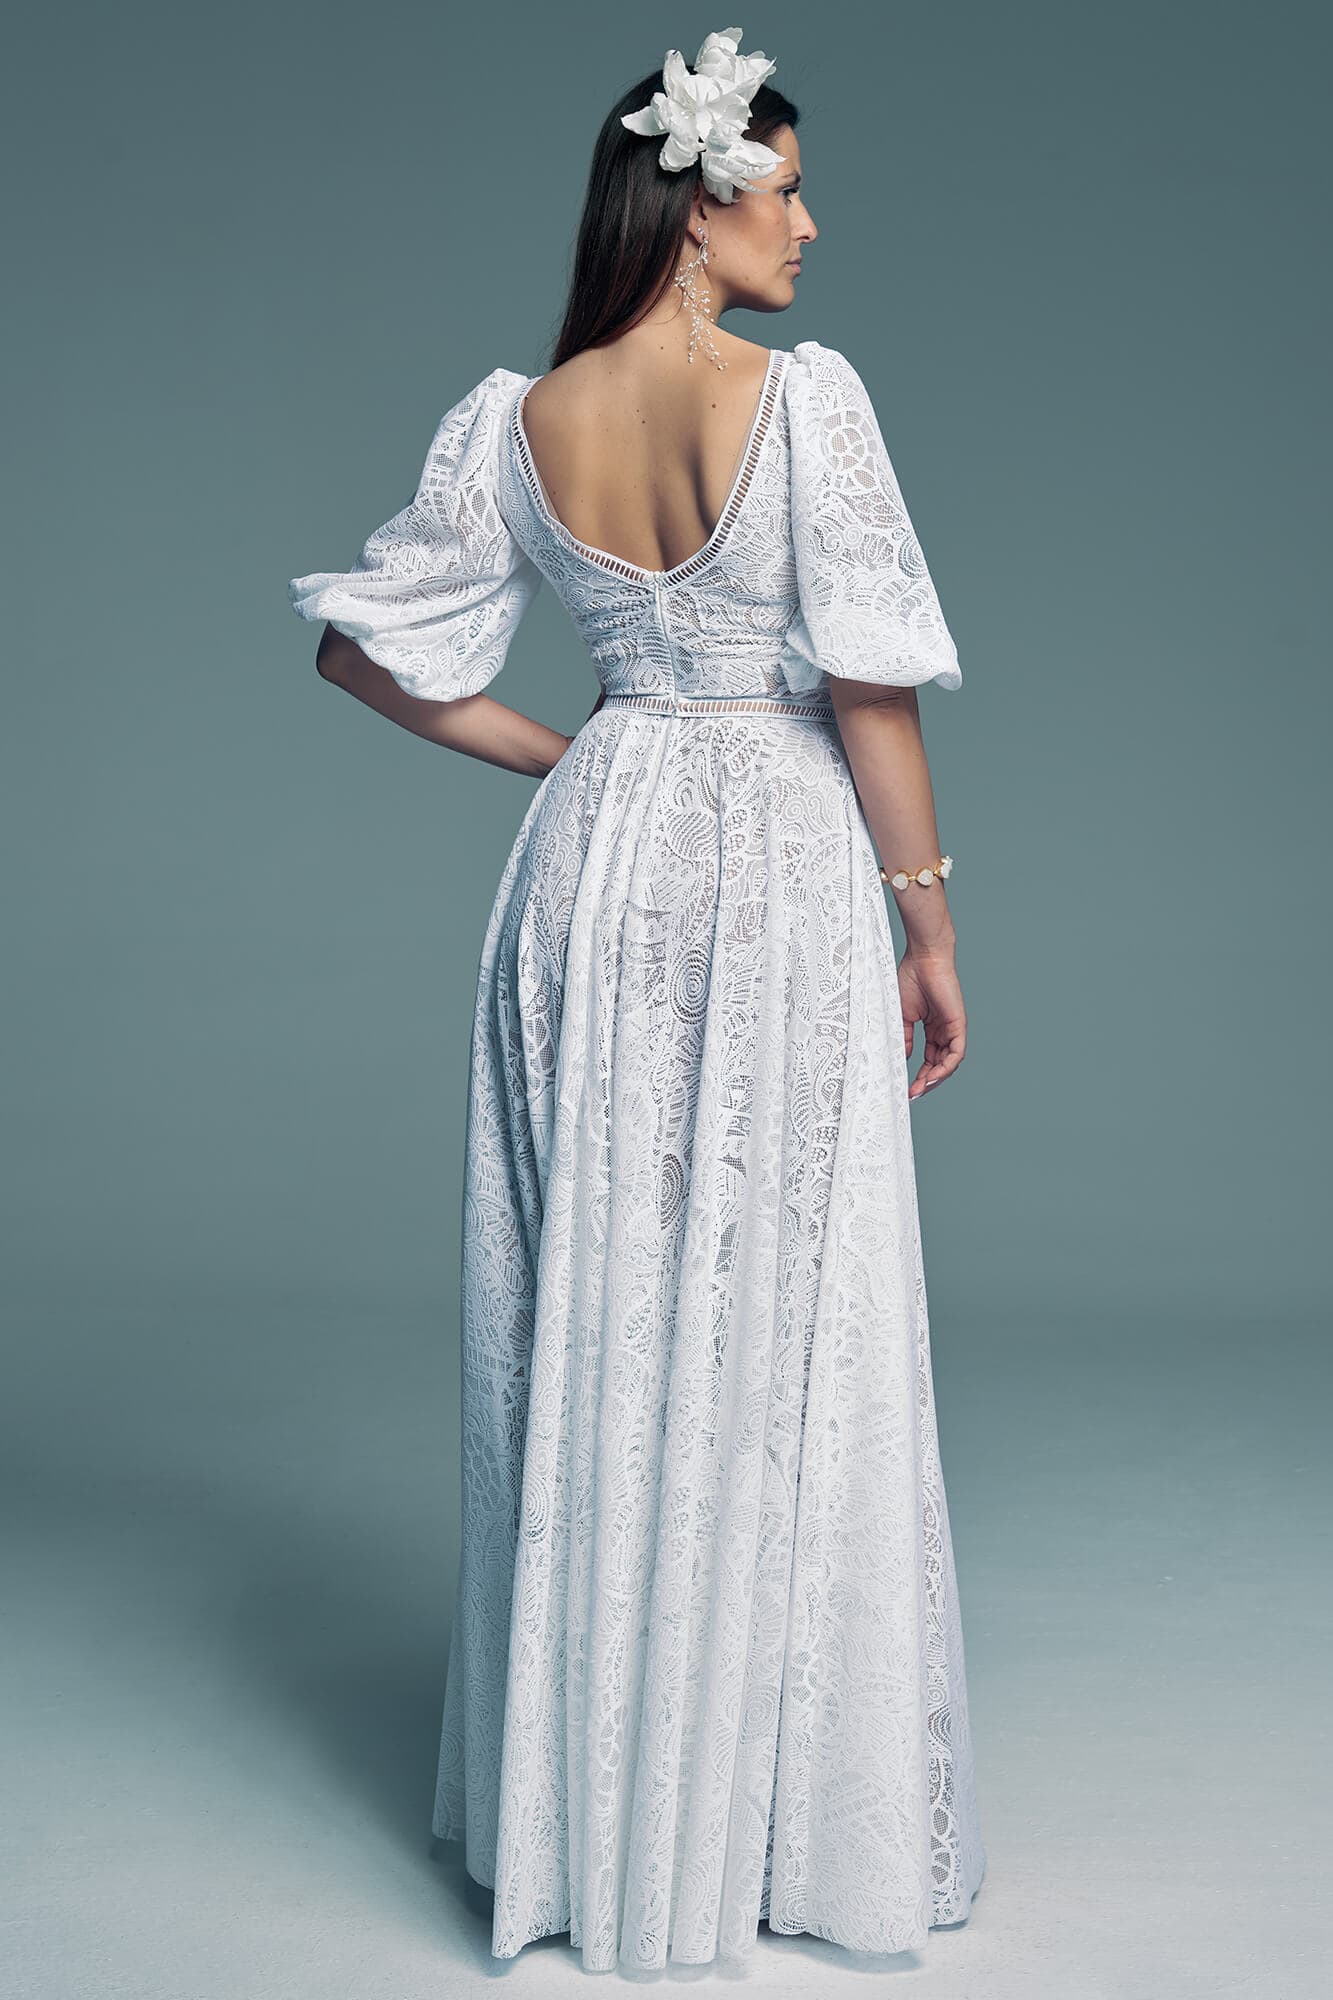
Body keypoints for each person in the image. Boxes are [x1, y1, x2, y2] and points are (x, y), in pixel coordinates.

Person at [288, 26, 986, 1975]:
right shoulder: (805, 400)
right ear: (698, 206)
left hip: (596, 860)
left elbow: (361, 655)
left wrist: (581, 755)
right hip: (776, 859)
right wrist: (928, 920)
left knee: (597, 1293)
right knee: (788, 1302)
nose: (810, 227)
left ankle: (598, 1829)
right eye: (788, 191)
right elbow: (867, 685)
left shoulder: (516, 420)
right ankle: (767, 1830)